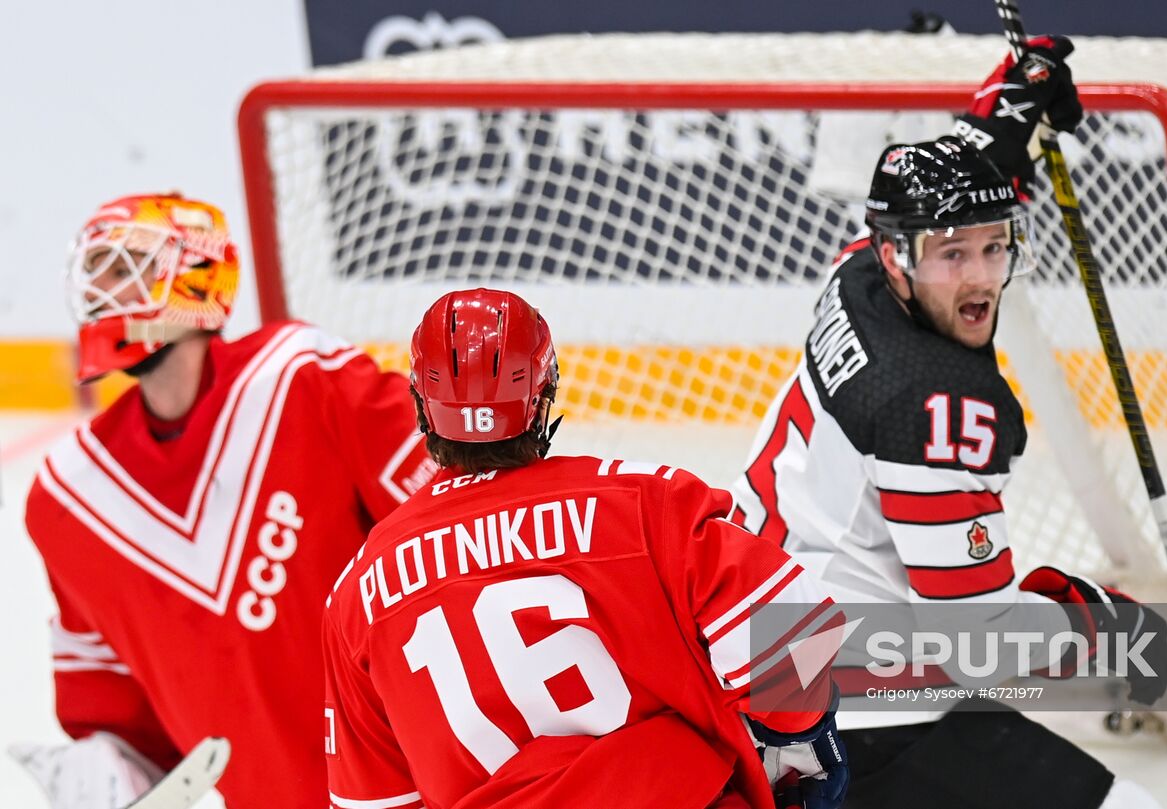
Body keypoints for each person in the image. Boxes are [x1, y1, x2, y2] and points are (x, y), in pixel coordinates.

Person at [730, 38, 1167, 809]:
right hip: (854, 720)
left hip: (767, 653)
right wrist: (1094, 623)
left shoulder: (856, 273)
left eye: (994, 248)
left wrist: (1011, 106)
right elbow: (976, 640)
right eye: (951, 255)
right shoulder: (935, 405)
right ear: (899, 257)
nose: (977, 276)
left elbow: (961, 196)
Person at [321, 288, 848, 809]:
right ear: (544, 392)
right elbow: (797, 638)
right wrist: (802, 743)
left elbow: (377, 802)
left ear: (422, 406)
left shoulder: (354, 597)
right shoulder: (645, 502)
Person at [17, 193, 436, 808]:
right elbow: (111, 707)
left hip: (411, 785)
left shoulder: (304, 378)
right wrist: (109, 769)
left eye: (124, 264)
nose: (101, 288)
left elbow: (456, 532)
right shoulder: (65, 500)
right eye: (97, 270)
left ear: (197, 275)